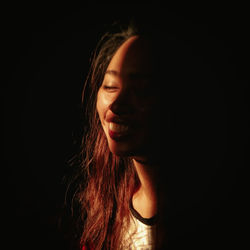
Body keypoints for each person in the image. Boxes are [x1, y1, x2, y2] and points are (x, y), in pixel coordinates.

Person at [68, 19, 222, 249]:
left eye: (140, 90)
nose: (117, 105)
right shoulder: (106, 209)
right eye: (110, 86)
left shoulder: (215, 214)